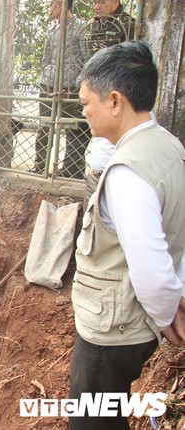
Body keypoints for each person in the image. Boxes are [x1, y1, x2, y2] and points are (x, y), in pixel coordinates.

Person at [69, 41, 185, 429]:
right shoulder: (168, 147)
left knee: (93, 421)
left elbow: (150, 267)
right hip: (134, 324)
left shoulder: (127, 174)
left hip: (112, 332)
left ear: (115, 101)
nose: (83, 112)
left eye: (87, 102)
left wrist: (167, 311)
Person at [30, 0, 90, 179]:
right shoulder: (52, 31)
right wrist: (47, 75)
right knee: (45, 126)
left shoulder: (80, 28)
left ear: (63, 5)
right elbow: (46, 58)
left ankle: (72, 169)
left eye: (52, 4)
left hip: (70, 87)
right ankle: (40, 165)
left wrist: (78, 81)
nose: (50, 8)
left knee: (73, 128)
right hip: (49, 84)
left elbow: (86, 59)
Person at [83, 0, 135, 195]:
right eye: (94, 2)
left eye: (101, 2)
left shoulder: (128, 24)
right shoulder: (91, 25)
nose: (96, 6)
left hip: (115, 87)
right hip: (95, 86)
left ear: (115, 2)